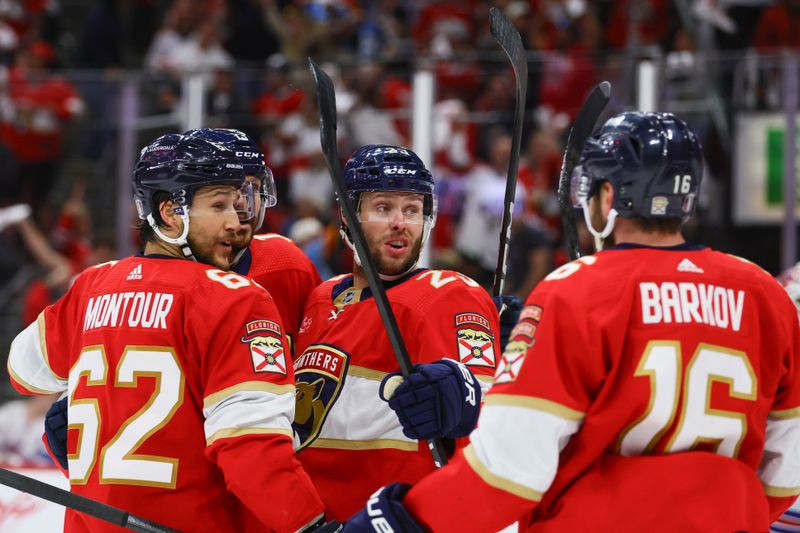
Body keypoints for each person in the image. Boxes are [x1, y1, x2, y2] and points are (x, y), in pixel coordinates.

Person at [339, 112, 800, 532]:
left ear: (607, 195)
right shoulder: (766, 295)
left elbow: (506, 473)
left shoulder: (577, 291)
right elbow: (785, 473)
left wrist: (401, 519)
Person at [7, 133, 326, 532]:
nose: (235, 220)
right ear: (171, 213)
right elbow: (250, 446)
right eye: (219, 205)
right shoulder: (235, 297)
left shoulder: (93, 285)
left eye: (236, 203)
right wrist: (310, 523)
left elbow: (23, 370)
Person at [291, 144, 502, 521]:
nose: (400, 222)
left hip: (387, 520)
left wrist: (462, 400)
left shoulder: (447, 294)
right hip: (309, 519)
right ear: (348, 216)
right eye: (384, 208)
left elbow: (488, 403)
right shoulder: (322, 297)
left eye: (412, 210)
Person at [184, 127, 323, 348]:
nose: (241, 202)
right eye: (226, 191)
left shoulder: (287, 263)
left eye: (252, 188)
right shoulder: (153, 281)